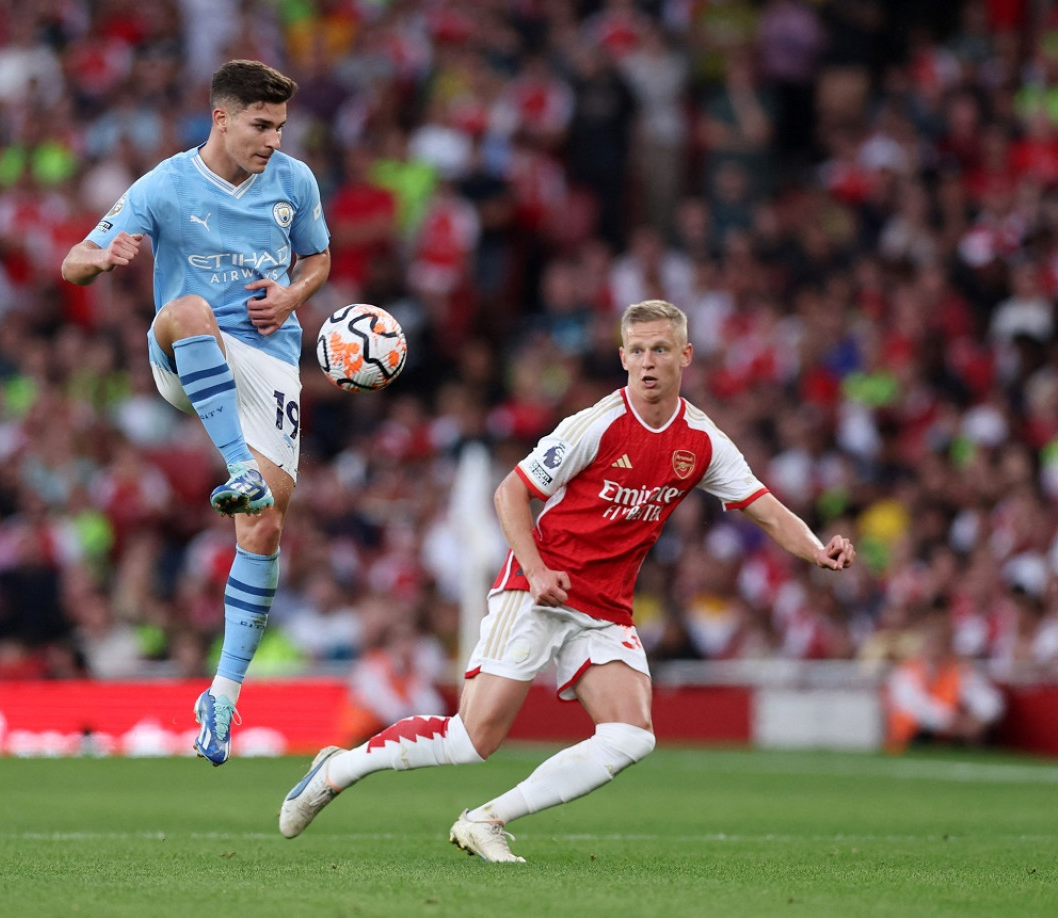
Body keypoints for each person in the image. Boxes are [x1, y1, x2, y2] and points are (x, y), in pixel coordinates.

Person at [279, 299, 855, 861]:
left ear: (686, 355)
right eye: (637, 351)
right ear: (623, 359)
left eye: (660, 349)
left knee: (632, 734)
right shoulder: (596, 425)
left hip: (604, 607)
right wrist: (534, 570)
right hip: (538, 590)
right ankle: (337, 769)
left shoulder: (702, 441)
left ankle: (487, 820)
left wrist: (816, 549)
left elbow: (764, 507)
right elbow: (511, 492)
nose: (649, 361)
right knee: (471, 741)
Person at [61, 60, 331, 765]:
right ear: (221, 117)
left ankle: (222, 697)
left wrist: (294, 297)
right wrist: (105, 255)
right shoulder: (166, 184)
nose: (273, 139)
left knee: (265, 523)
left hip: (268, 359)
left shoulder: (296, 182)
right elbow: (73, 261)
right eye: (259, 124)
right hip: (186, 350)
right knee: (186, 308)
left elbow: (320, 260)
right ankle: (238, 465)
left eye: (279, 126)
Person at [884, 605, 1004, 754]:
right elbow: (917, 707)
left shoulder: (959, 670)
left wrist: (978, 720)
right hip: (909, 744)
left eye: (941, 641)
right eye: (932, 641)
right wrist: (956, 723)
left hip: (946, 743)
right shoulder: (906, 671)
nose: (937, 647)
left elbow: (988, 700)